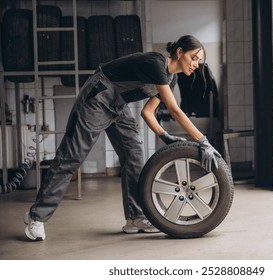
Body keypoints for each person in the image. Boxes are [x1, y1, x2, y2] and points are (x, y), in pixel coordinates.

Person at [24, 35, 221, 241]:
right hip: (98, 97)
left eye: (199, 60)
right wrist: (203, 140)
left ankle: (135, 217)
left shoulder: (172, 79)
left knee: (133, 152)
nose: (196, 65)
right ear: (179, 52)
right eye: (193, 57)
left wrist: (164, 135)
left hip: (117, 105)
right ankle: (36, 217)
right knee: (71, 157)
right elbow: (174, 109)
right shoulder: (156, 63)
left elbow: (148, 112)